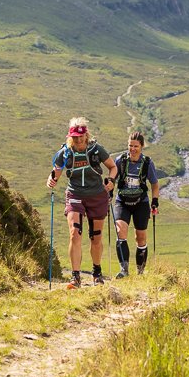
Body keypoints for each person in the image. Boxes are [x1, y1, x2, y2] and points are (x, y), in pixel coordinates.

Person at [47, 117, 118, 288]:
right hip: (75, 195)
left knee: (96, 237)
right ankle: (75, 276)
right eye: (75, 137)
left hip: (97, 196)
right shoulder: (65, 153)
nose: (78, 140)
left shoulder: (96, 150)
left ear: (86, 135)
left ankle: (97, 273)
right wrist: (51, 180)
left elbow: (113, 167)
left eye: (81, 137)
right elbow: (55, 173)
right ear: (70, 136)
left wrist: (111, 180)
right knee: (74, 233)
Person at [111, 131, 159, 278]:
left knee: (141, 238)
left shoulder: (147, 163)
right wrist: (109, 189)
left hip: (141, 203)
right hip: (122, 202)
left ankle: (140, 272)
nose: (132, 149)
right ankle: (124, 269)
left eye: (136, 146)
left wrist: (155, 202)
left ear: (142, 146)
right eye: (130, 145)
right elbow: (112, 176)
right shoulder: (121, 160)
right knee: (121, 232)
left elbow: (154, 184)